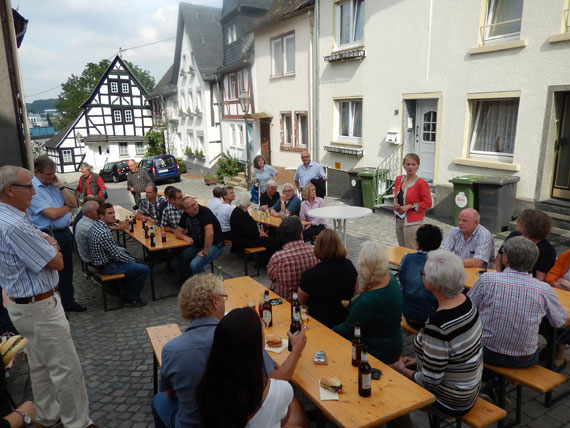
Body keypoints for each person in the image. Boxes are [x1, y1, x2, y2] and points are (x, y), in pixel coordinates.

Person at [0, 165, 98, 428]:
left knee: (41, 366)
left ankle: (45, 415)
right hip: (39, 306)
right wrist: (52, 244)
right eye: (28, 187)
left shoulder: (10, 216)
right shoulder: (13, 225)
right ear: (9, 190)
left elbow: (42, 236)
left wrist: (46, 241)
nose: (33, 192)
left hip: (24, 306)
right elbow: (56, 262)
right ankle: (77, 422)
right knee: (67, 369)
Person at [151, 274, 307, 428]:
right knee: (295, 409)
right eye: (223, 297)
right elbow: (276, 382)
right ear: (214, 302)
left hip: (190, 423)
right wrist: (296, 352)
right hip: (234, 421)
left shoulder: (171, 349)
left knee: (158, 401)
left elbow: (170, 393)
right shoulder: (238, 337)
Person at [393, 250, 483, 418]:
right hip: (469, 387)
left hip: (450, 400)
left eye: (423, 273)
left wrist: (402, 370)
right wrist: (420, 361)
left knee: (390, 388)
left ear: (432, 284)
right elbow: (454, 353)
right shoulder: (467, 302)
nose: (422, 276)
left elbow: (429, 381)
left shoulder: (438, 327)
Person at [468, 237, 568, 377]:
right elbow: (559, 321)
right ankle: (495, 384)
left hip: (488, 352)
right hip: (524, 358)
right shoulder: (543, 289)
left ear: (505, 259)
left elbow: (468, 310)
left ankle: (491, 384)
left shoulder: (487, 280)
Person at [196, 306, 310, 428]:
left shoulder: (205, 388)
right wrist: (296, 351)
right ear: (257, 346)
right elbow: (282, 421)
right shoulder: (279, 390)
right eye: (262, 334)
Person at [29, 156, 86, 313]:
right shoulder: (33, 189)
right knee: (53, 274)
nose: (51, 177)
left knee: (67, 270)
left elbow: (74, 203)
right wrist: (67, 208)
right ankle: (57, 308)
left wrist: (60, 186)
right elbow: (51, 214)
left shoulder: (54, 184)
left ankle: (68, 301)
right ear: (37, 172)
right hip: (49, 234)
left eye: (53, 173)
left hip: (64, 232)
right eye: (48, 174)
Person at [333, 241, 403, 364]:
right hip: (393, 341)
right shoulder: (389, 278)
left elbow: (347, 331)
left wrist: (324, 331)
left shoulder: (369, 301)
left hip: (377, 352)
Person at [88, 202, 149, 307]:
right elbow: (117, 255)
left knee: (135, 262)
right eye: (110, 213)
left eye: (113, 212)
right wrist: (132, 260)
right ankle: (131, 299)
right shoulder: (104, 232)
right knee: (144, 269)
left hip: (101, 262)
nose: (113, 215)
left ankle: (125, 292)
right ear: (102, 216)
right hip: (107, 266)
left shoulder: (97, 226)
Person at [298, 229, 357, 328]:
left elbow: (301, 302)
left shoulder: (310, 275)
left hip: (318, 323)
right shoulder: (349, 266)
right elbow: (355, 290)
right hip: (343, 320)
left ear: (318, 247)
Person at [399, 224, 443, 330]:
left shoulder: (406, 258)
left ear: (417, 242)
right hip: (431, 319)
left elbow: (402, 279)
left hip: (407, 314)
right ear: (438, 245)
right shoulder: (440, 264)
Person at [494, 209, 556, 281]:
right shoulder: (514, 235)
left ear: (530, 226)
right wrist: (499, 277)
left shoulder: (547, 250)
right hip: (503, 278)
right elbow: (498, 260)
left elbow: (540, 278)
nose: (516, 220)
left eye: (521, 220)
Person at [268, 216, 318, 301]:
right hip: (310, 299)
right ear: (301, 234)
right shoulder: (315, 250)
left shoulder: (278, 257)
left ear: (282, 236)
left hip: (285, 301)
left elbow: (272, 277)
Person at [174, 197, 225, 277]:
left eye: (195, 203)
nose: (195, 207)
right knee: (180, 260)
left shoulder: (204, 211)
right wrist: (184, 237)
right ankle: (191, 281)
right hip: (198, 245)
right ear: (185, 210)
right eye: (191, 206)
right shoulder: (185, 215)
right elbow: (177, 231)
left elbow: (210, 233)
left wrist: (205, 252)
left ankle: (205, 285)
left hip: (215, 245)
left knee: (195, 264)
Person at [393, 153, 432, 249]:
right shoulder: (399, 179)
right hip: (399, 220)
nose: (410, 167)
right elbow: (396, 196)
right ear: (403, 165)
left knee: (411, 250)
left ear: (418, 166)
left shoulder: (421, 183)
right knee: (401, 250)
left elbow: (428, 204)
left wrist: (410, 206)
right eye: (408, 164)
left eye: (413, 164)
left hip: (413, 223)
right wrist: (394, 203)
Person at [230, 192, 280, 266]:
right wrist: (262, 234)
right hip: (243, 241)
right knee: (273, 242)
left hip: (242, 238)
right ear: (246, 202)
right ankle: (273, 263)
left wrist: (260, 233)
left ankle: (262, 262)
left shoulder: (239, 211)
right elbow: (252, 232)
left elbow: (251, 229)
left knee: (268, 240)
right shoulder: (241, 214)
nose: (250, 202)